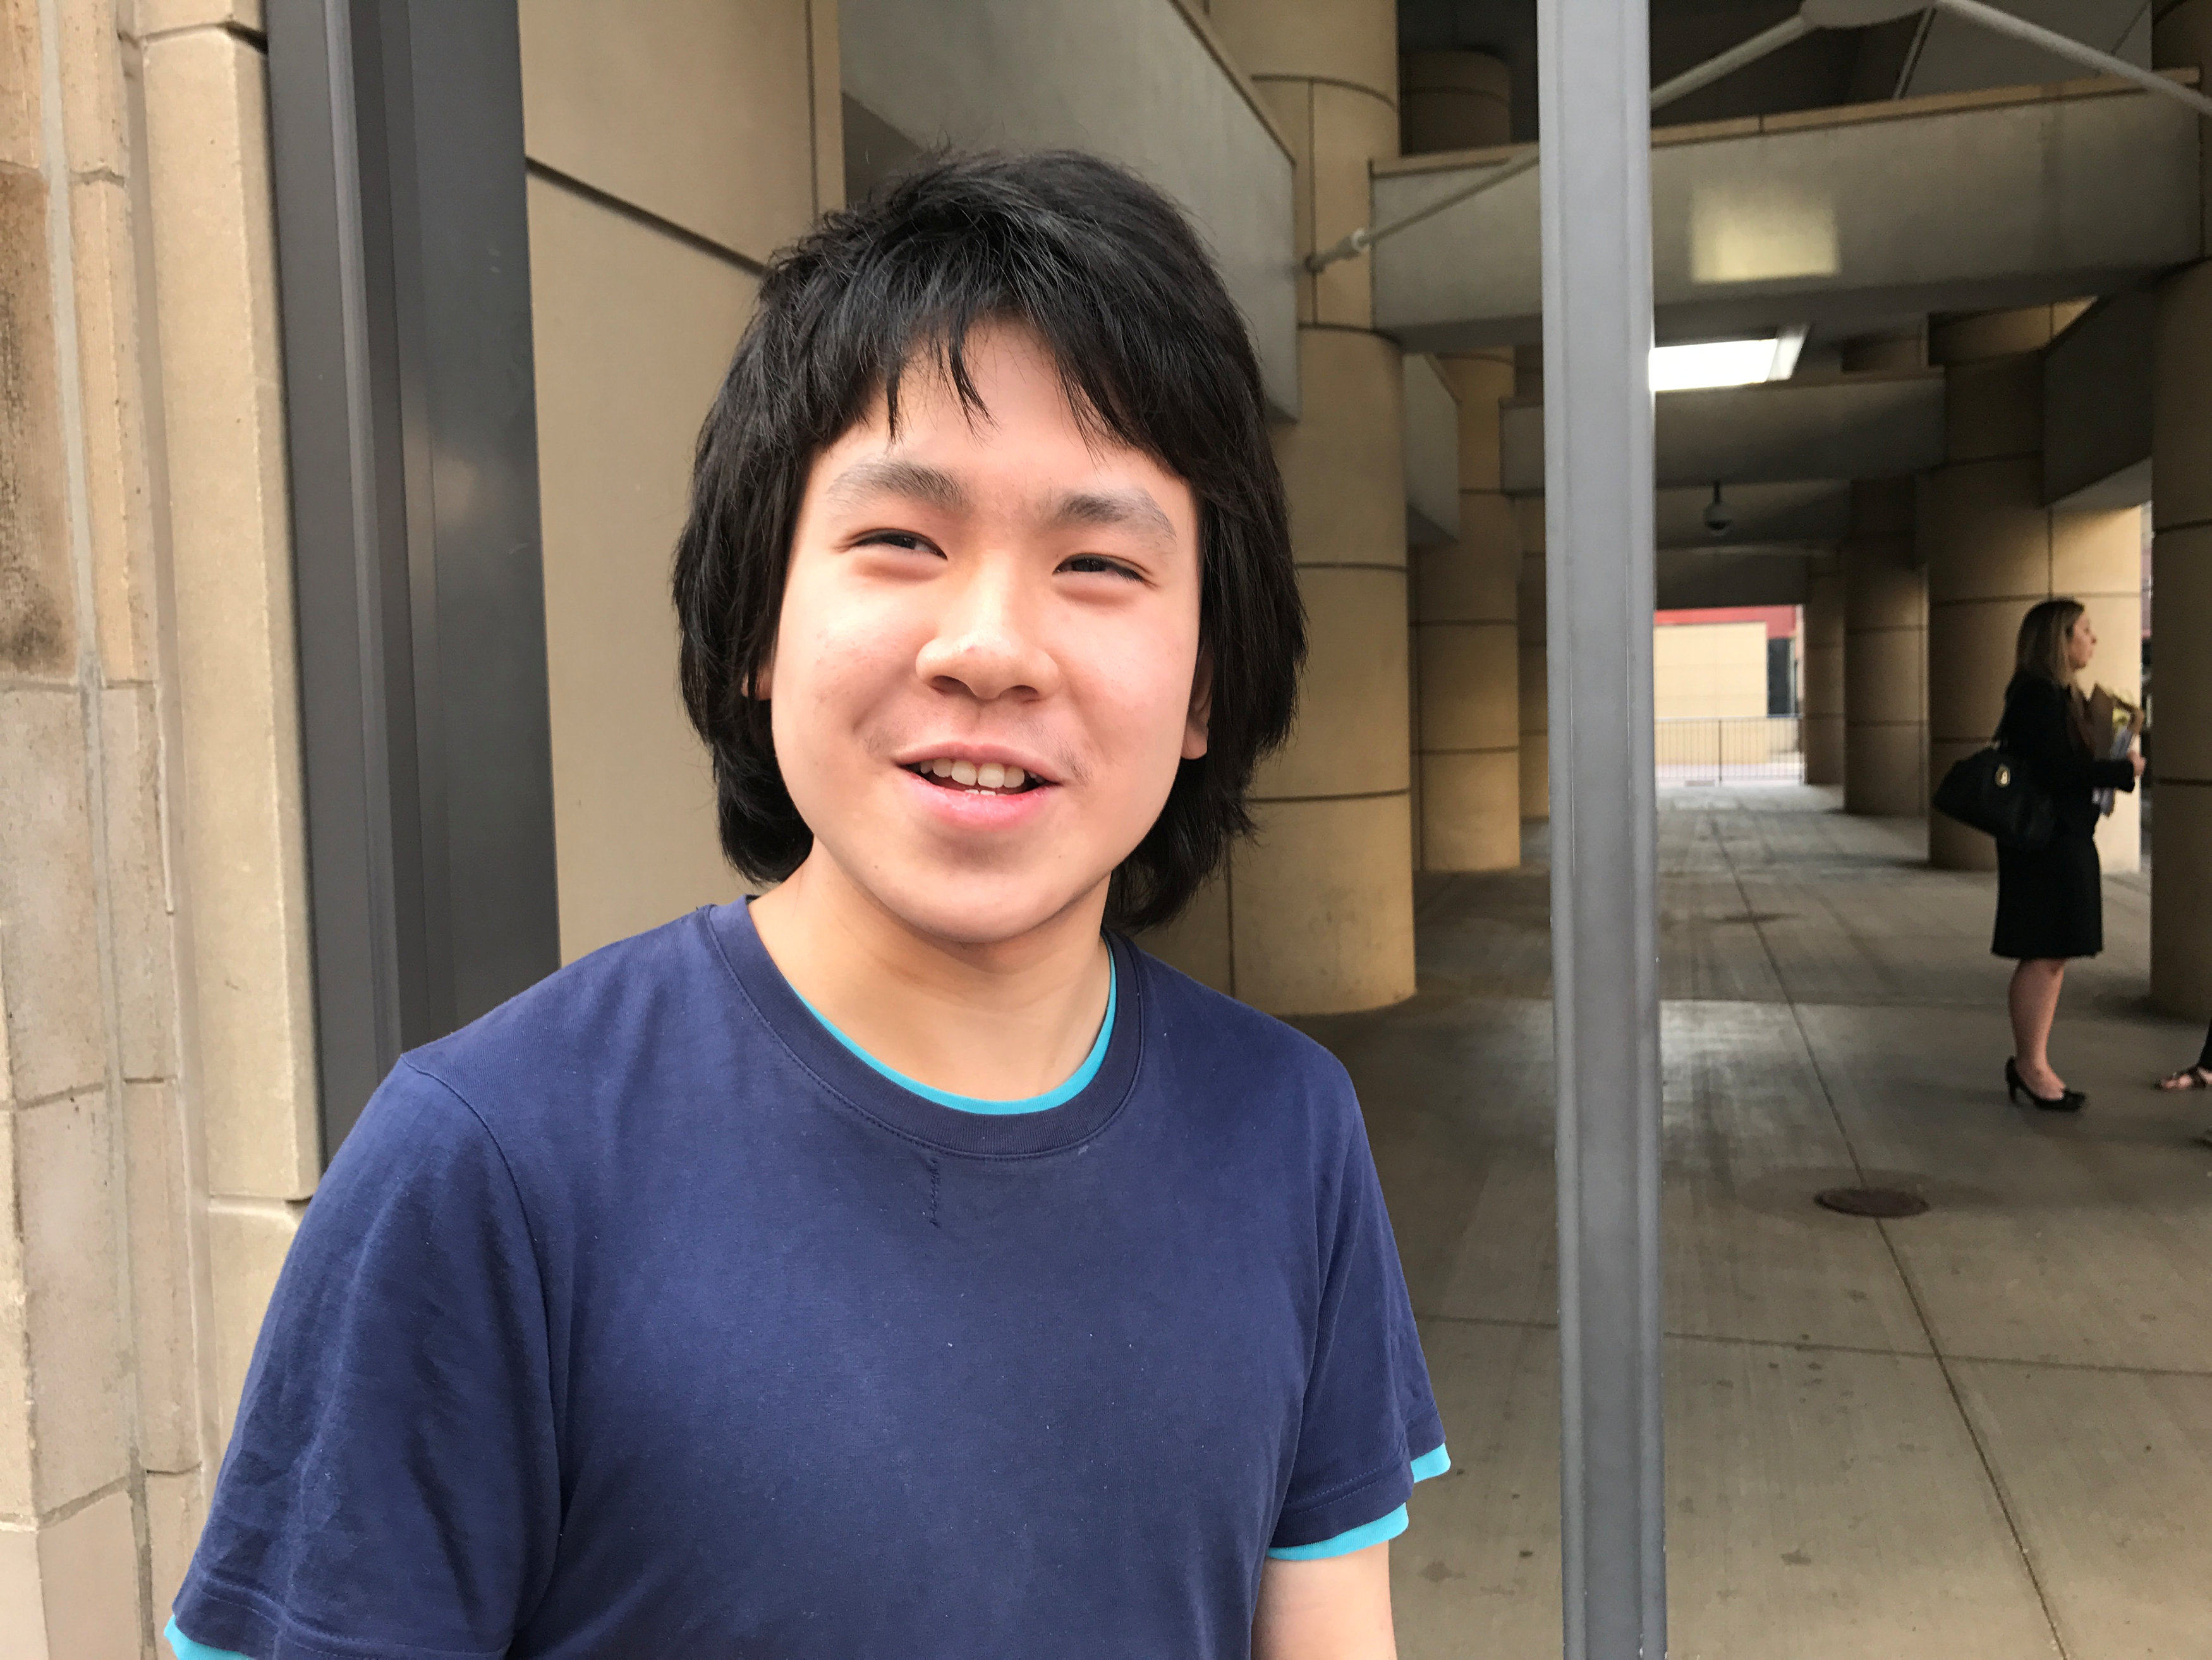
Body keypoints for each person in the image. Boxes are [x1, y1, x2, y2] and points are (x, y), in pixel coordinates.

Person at [164, 154, 1445, 1660]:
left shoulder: (1288, 1132)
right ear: (757, 622)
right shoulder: (491, 1166)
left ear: (1208, 684)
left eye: (1097, 562)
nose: (991, 647)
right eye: (903, 540)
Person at [1993, 597, 2143, 1111]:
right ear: (2059, 639)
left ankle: (2033, 1062)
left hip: (2061, 837)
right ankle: (2030, 1065)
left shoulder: (2056, 695)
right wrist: (2123, 771)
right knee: (2044, 950)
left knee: (2053, 952)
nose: (2092, 639)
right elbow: (2057, 772)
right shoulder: (2039, 696)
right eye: (2084, 629)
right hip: (2046, 841)